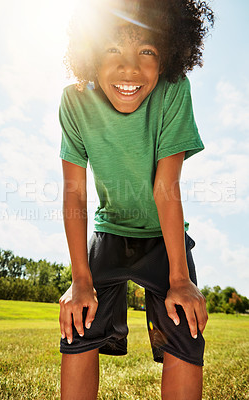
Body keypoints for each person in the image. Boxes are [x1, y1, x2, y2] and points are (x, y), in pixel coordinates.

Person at [58, 0, 214, 399]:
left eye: (146, 51)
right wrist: (80, 279)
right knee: (79, 320)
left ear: (168, 56)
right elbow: (75, 191)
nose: (130, 69)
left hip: (164, 238)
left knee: (185, 327)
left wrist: (180, 278)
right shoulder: (75, 101)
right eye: (113, 50)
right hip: (109, 230)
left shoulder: (174, 90)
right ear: (92, 56)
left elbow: (167, 186)